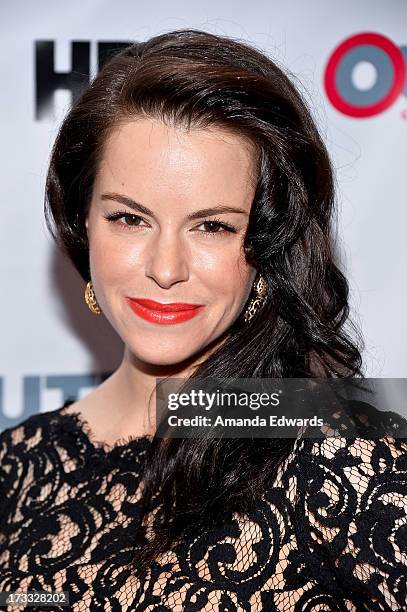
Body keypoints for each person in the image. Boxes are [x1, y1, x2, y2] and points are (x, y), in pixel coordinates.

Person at [1, 28, 406, 611]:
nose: (166, 269)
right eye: (128, 219)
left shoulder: (339, 453)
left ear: (268, 243)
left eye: (212, 226)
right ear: (80, 223)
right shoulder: (15, 466)